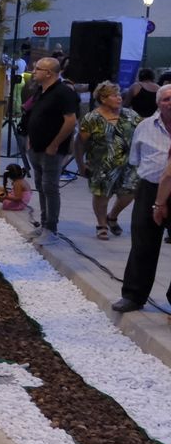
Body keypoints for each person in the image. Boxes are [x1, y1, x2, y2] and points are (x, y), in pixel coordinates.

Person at [115, 85, 171, 313]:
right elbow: (135, 160)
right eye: (167, 99)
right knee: (143, 243)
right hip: (150, 188)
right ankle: (133, 295)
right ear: (158, 103)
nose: (170, 103)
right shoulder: (145, 127)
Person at [21, 57, 79, 244]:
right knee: (41, 186)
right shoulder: (40, 91)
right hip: (36, 148)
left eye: (37, 68)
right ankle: (44, 223)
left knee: (50, 187)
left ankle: (51, 228)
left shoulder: (63, 93)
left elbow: (70, 120)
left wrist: (55, 144)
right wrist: (30, 139)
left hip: (52, 150)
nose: (33, 71)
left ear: (49, 73)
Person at [75, 82, 139, 240]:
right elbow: (80, 142)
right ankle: (102, 224)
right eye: (114, 95)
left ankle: (112, 216)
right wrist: (80, 164)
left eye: (119, 94)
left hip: (129, 164)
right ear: (103, 98)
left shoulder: (131, 115)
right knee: (102, 195)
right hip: (101, 165)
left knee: (130, 193)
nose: (119, 98)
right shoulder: (92, 118)